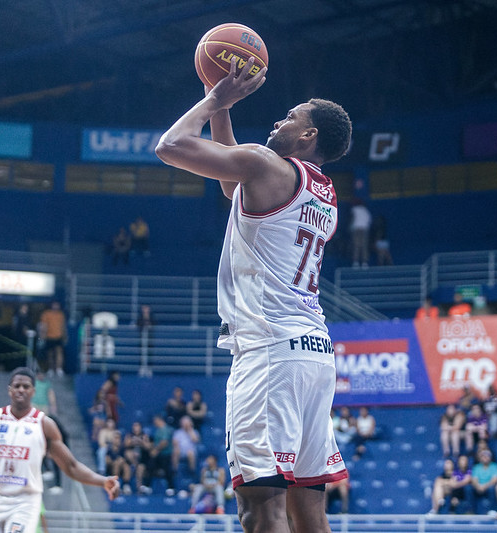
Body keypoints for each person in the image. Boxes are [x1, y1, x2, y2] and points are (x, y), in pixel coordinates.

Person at [155, 56, 351, 532]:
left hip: (269, 353)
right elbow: (230, 182)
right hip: (314, 355)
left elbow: (170, 146)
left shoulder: (268, 165)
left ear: (308, 136)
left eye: (291, 117)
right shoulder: (322, 192)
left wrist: (213, 100)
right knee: (308, 511)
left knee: (260, 508)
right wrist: (225, 109)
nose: (279, 120)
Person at [0, 367, 119, 533]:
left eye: (26, 386)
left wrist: (102, 481)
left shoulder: (44, 424)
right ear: (10, 390)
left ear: (33, 391)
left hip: (25, 501)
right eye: (17, 386)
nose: (21, 389)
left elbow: (71, 466)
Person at [38, 301, 67, 377]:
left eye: (57, 305)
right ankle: (50, 369)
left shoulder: (61, 315)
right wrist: (42, 337)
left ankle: (59, 369)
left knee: (59, 353)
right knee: (50, 354)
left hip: (58, 337)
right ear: (51, 305)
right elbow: (43, 326)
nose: (56, 306)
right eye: (54, 305)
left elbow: (63, 326)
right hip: (49, 336)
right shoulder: (46, 314)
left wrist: (64, 336)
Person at [350, 199, 372, 268]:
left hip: (357, 229)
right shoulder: (366, 211)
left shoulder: (354, 209)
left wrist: (350, 226)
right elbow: (369, 221)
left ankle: (356, 262)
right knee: (363, 246)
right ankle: (364, 263)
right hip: (364, 229)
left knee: (356, 246)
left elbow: (352, 218)